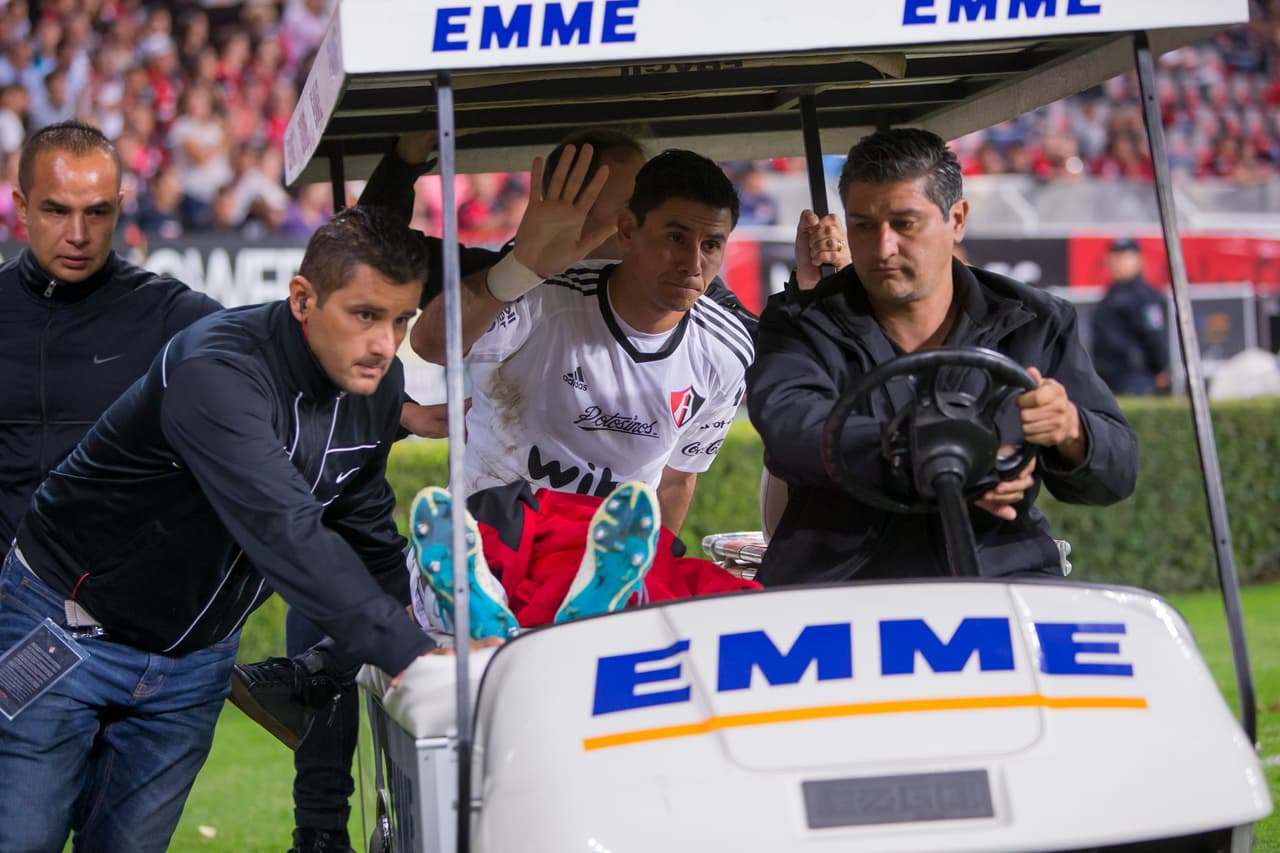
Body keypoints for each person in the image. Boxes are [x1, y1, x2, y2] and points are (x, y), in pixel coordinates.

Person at [0, 206, 459, 853]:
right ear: (303, 298)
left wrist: (437, 631)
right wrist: (408, 650)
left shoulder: (377, 390)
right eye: (365, 314)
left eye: (400, 319)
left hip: (192, 664)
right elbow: (283, 526)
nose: (386, 343)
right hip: (66, 627)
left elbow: (365, 531)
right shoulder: (216, 367)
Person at [747, 128, 1138, 585]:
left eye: (904, 223)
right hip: (843, 584)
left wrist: (1071, 430)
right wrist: (951, 461)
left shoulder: (1034, 320)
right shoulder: (802, 321)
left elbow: (1118, 471)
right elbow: (791, 433)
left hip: (1002, 575)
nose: (882, 247)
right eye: (864, 225)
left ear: (957, 219)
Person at [0, 120, 221, 551]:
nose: (78, 235)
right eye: (57, 211)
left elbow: (280, 346)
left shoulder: (168, 312)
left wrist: (390, 395)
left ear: (119, 206)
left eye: (97, 212)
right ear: (22, 207)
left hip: (107, 603)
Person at [1090, 237, 1170, 396]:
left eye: (1124, 256)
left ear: (1138, 260)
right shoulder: (1110, 295)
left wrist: (1161, 368)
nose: (1117, 262)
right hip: (1108, 379)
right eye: (1114, 256)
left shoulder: (1145, 296)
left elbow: (1154, 336)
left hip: (1136, 377)